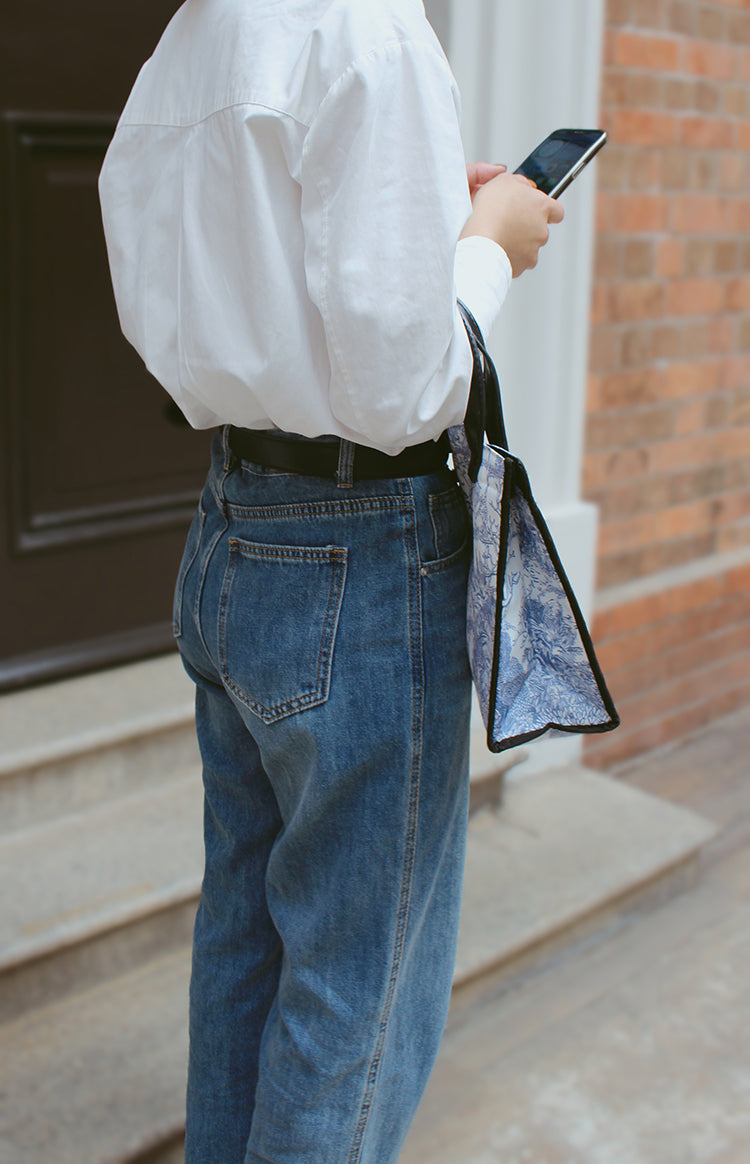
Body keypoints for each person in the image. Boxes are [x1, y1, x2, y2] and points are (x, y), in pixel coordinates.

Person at [99, 1, 563, 1160]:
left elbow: (190, 280)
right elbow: (407, 386)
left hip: (233, 524)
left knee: (246, 934)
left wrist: (426, 226)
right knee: (357, 982)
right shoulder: (372, 30)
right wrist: (488, 246)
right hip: (362, 550)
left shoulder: (192, 38)